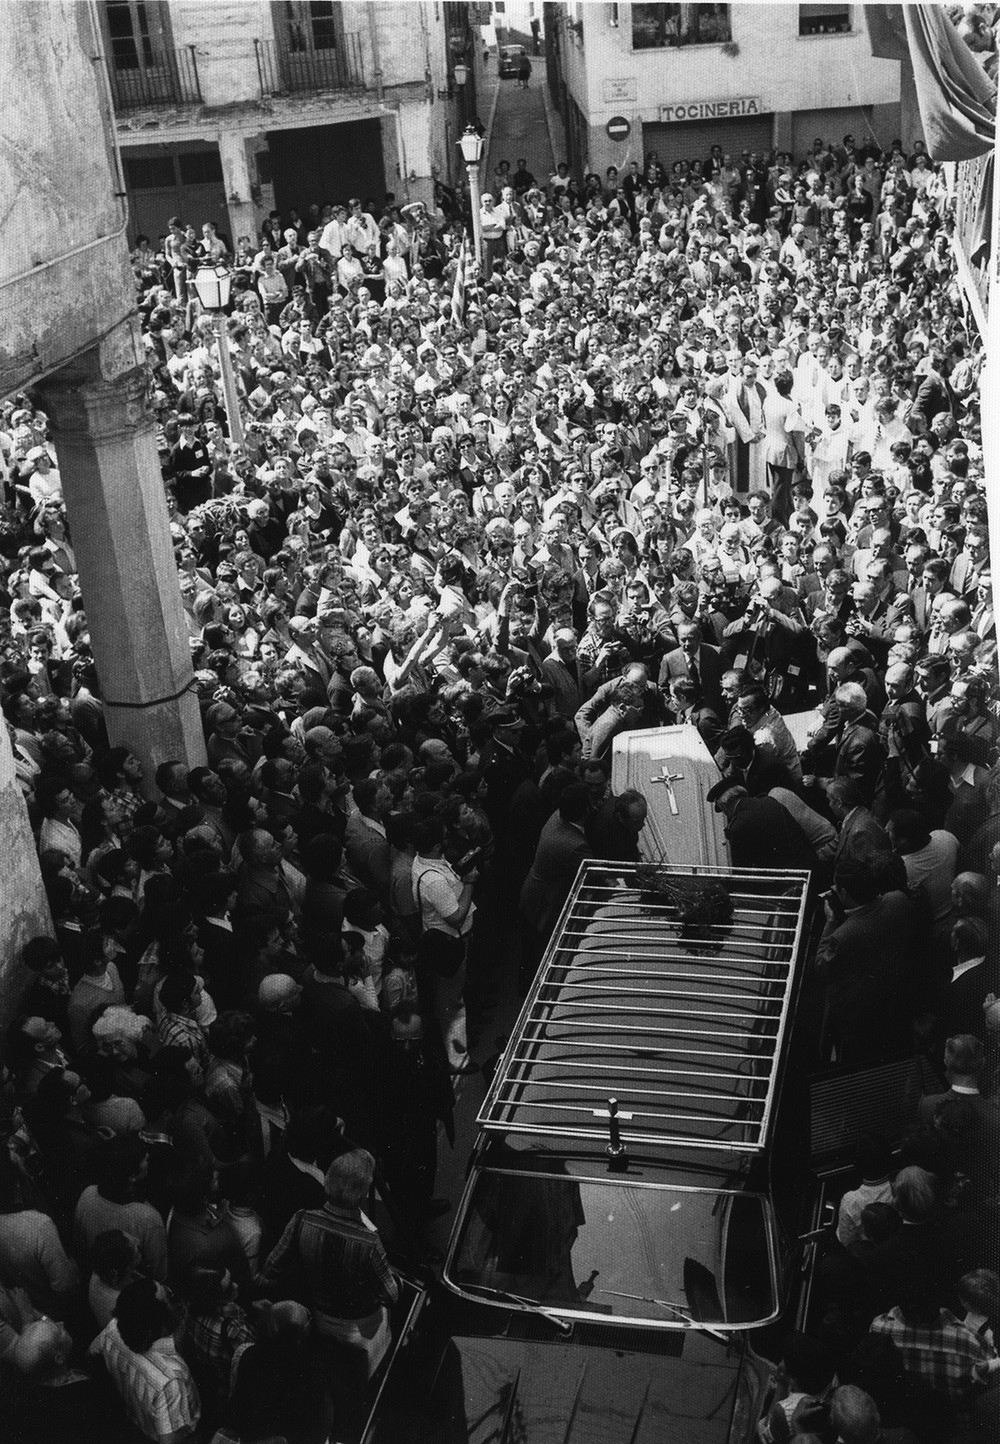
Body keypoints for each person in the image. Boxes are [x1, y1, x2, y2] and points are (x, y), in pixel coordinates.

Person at [261, 1149, 398, 1444]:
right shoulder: (369, 1242)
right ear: (362, 1195)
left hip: (320, 1320)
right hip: (363, 1330)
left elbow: (272, 1267)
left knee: (331, 1381)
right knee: (365, 1388)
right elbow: (391, 1293)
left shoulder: (301, 1220)